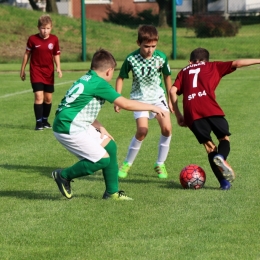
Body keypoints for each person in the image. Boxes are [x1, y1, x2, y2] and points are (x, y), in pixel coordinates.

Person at [51, 49, 166, 200]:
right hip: (68, 127)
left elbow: (80, 108)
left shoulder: (86, 78)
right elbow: (125, 104)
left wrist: (100, 127)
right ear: (109, 71)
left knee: (109, 146)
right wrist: (152, 107)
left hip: (71, 122)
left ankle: (112, 192)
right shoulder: (99, 83)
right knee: (101, 159)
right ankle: (63, 175)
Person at [170, 47, 260, 190]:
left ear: (189, 61)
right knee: (224, 139)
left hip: (191, 112)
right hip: (210, 107)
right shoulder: (212, 66)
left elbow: (172, 90)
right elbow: (237, 63)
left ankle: (224, 183)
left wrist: (178, 114)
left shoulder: (184, 71)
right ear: (206, 60)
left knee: (210, 147)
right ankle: (222, 158)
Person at [114, 25, 173, 179]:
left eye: (153, 46)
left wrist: (170, 98)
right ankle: (127, 163)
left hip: (157, 97)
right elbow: (120, 77)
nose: (150, 50)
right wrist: (117, 98)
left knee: (167, 129)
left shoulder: (161, 57)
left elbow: (167, 76)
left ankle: (160, 163)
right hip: (139, 99)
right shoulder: (131, 58)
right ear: (138, 42)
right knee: (142, 131)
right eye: (146, 46)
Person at [20, 14, 62, 131]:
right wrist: (22, 69)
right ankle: (38, 123)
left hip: (49, 72)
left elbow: (56, 54)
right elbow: (27, 54)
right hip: (36, 71)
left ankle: (45, 120)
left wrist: (58, 67)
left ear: (51, 28)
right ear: (38, 27)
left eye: (48, 28)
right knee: (39, 96)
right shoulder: (32, 39)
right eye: (43, 28)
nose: (45, 31)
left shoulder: (54, 39)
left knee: (48, 98)